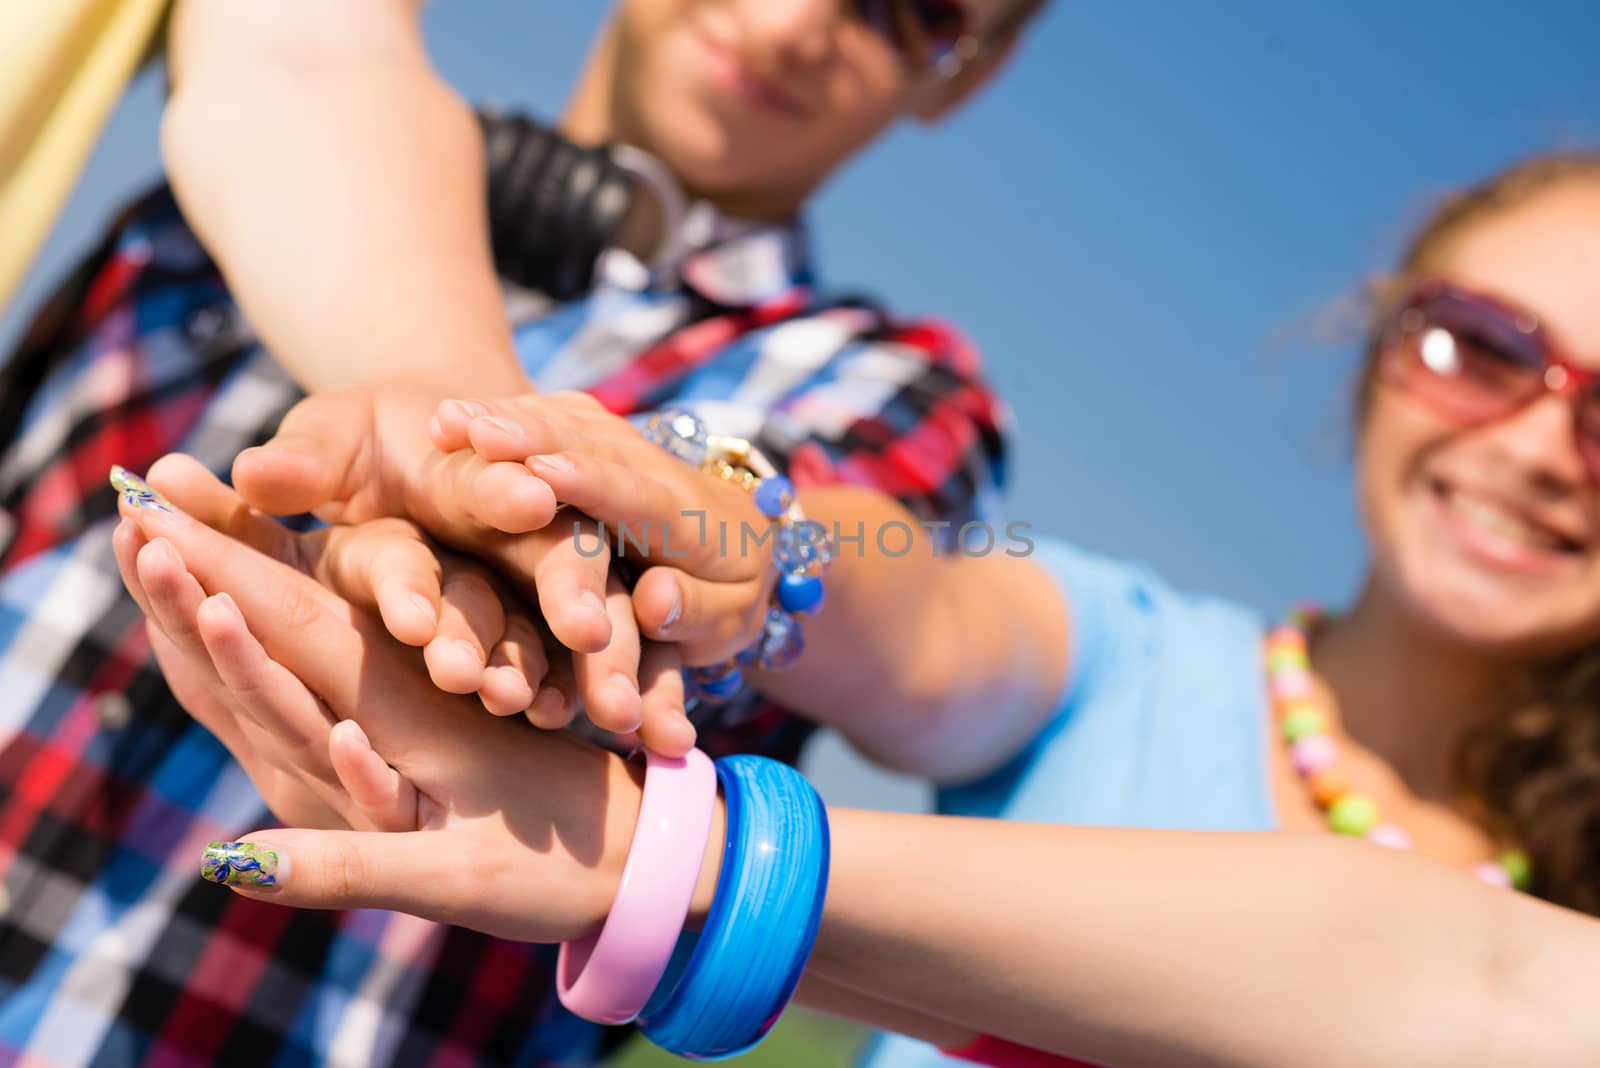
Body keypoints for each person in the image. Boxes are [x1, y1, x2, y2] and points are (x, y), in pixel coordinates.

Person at [119, 150, 1600, 1062]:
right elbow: (934, 617)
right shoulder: (1133, 658)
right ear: (1379, 340)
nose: (1539, 445)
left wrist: (654, 856)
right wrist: (717, 536)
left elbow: (1456, 980)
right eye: (1484, 348)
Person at [0, 2, 1045, 1063]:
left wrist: (732, 541)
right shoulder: (237, 153)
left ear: (969, 70)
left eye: (906, 10)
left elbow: (913, 612)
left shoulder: (882, 381)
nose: (789, 24)